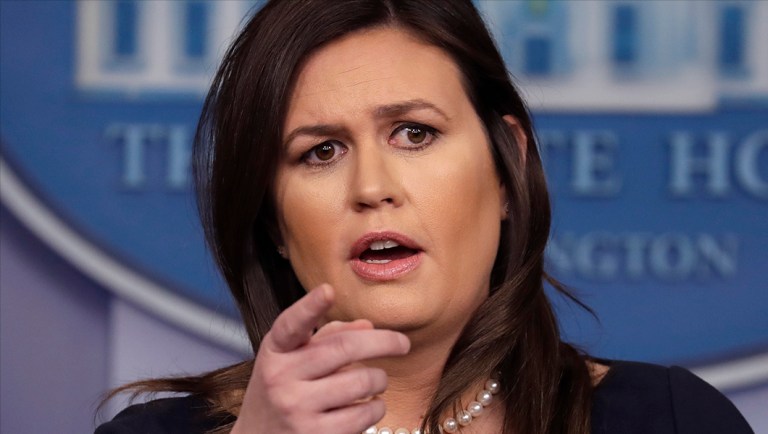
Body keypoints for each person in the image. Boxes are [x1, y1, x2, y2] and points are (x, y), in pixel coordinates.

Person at [96, 1, 754, 433]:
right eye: (320, 152)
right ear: (273, 222)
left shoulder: (670, 420)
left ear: (506, 169)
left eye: (414, 133)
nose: (373, 187)